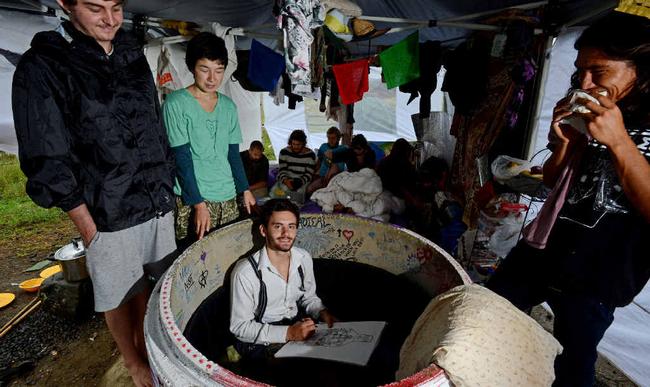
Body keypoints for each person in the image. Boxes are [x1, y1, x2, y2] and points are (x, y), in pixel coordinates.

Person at [12, 1, 177, 386]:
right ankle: (134, 363)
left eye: (117, 7)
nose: (110, 19)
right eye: (95, 8)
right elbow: (45, 153)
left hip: (155, 199)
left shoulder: (132, 52)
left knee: (153, 287)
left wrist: (167, 181)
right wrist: (87, 226)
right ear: (64, 5)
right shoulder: (44, 66)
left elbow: (154, 123)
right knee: (119, 292)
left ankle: (153, 346)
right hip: (107, 208)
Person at [486, 12, 650, 387]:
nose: (585, 83)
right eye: (580, 73)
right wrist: (563, 145)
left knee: (572, 363)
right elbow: (554, 182)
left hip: (601, 271)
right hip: (544, 249)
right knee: (488, 311)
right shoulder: (590, 111)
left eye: (599, 72)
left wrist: (620, 141)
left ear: (640, 69)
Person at [163, 32, 256, 247]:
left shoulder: (228, 106)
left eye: (219, 71)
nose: (212, 78)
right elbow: (181, 159)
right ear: (192, 67)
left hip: (227, 196)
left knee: (226, 255)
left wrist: (245, 189)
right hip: (194, 199)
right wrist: (198, 204)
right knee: (195, 261)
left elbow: (233, 154)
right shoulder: (176, 103)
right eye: (205, 69)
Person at [229, 198, 336, 362]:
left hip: (296, 325)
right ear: (263, 230)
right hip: (262, 339)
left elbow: (309, 298)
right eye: (278, 226)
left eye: (291, 227)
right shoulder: (246, 272)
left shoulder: (303, 258)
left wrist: (322, 312)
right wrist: (288, 333)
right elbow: (240, 328)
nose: (286, 234)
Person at [269, 130, 316, 203]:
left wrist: (299, 182)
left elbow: (309, 174)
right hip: (286, 179)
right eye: (293, 144)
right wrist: (286, 181)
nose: (295, 147)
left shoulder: (311, 155)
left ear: (304, 143)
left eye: (298, 144)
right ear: (290, 142)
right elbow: (282, 170)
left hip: (301, 181)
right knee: (276, 193)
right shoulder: (284, 152)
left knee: (297, 196)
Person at [307, 126, 347, 194]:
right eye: (328, 138)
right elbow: (319, 160)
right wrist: (315, 172)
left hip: (335, 177)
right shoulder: (323, 147)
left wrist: (330, 153)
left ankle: (326, 187)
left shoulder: (343, 149)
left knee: (334, 165)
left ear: (338, 139)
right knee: (309, 190)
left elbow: (347, 147)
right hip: (322, 176)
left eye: (333, 138)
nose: (330, 140)